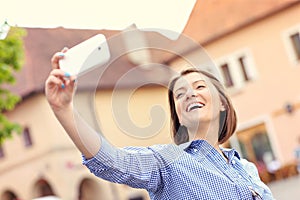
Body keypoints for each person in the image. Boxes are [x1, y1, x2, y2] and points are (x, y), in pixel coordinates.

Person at [45, 49, 274, 200]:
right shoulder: (166, 162)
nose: (190, 95)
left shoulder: (245, 168)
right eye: (180, 93)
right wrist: (64, 110)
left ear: (222, 103)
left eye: (200, 87)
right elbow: (112, 161)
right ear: (180, 116)